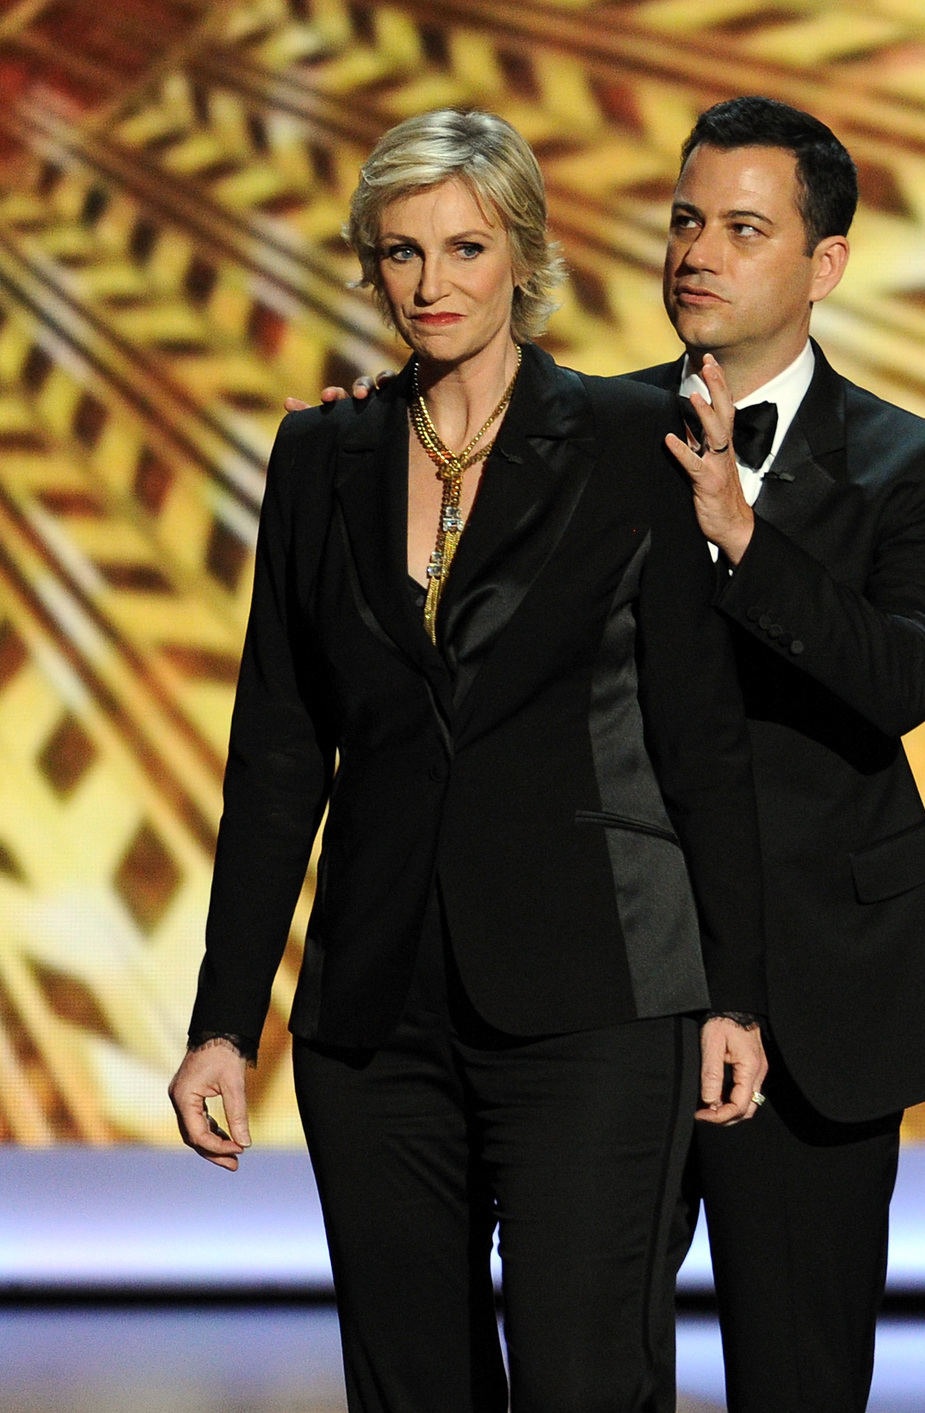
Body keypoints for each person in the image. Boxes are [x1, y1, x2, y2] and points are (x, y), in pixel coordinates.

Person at [305, 96, 925, 1413]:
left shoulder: (917, 464)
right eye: (685, 220)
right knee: (578, 1366)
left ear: (825, 263)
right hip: (583, 989)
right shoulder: (563, 429)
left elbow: (897, 677)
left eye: (743, 227)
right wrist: (369, 443)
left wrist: (743, 534)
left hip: (804, 997)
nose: (698, 252)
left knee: (797, 1376)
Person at [167, 107, 768, 1413]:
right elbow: (278, 750)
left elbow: (699, 734)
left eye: (463, 248)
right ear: (370, 266)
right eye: (400, 254)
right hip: (374, 1015)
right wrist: (224, 1020)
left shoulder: (631, 441)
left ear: (521, 255)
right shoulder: (320, 456)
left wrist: (735, 992)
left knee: (585, 1380)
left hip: (597, 995)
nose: (432, 285)